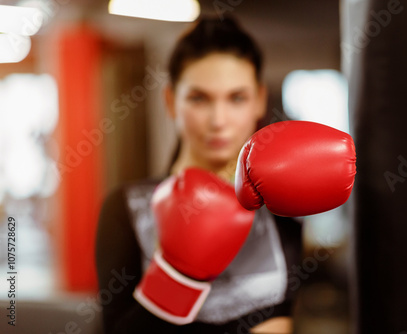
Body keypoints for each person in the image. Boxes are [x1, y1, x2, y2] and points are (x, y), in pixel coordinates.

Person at [95, 15, 303, 334]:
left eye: (236, 98)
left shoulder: (278, 210)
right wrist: (179, 275)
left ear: (259, 100)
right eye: (199, 98)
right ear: (170, 101)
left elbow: (279, 321)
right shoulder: (129, 207)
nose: (218, 120)